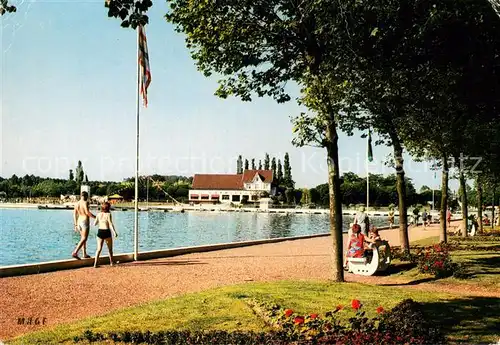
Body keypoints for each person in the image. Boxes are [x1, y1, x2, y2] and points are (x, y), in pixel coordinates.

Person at [93, 202, 118, 268]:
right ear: (108, 208)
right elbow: (110, 224)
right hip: (106, 231)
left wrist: (98, 220)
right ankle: (111, 263)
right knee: (110, 249)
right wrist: (114, 232)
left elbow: (94, 223)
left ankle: (95, 264)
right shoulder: (108, 214)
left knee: (98, 249)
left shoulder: (98, 214)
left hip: (100, 231)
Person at [72, 191, 96, 259]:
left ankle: (84, 254)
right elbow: (87, 212)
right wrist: (96, 217)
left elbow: (74, 214)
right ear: (86, 196)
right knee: (84, 238)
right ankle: (75, 252)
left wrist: (76, 224)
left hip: (79, 221)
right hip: (84, 221)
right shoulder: (85, 202)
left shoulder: (77, 203)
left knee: (83, 238)